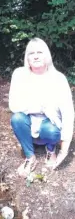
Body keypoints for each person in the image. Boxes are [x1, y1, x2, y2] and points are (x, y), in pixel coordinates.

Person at [9, 37, 74, 177]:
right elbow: (13, 105)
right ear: (27, 57)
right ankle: (30, 157)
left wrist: (64, 149)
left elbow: (68, 112)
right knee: (17, 118)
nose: (36, 56)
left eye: (40, 52)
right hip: (28, 128)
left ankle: (50, 150)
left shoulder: (58, 78)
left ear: (47, 55)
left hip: (49, 130)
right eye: (31, 53)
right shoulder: (19, 74)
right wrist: (43, 108)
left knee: (52, 128)